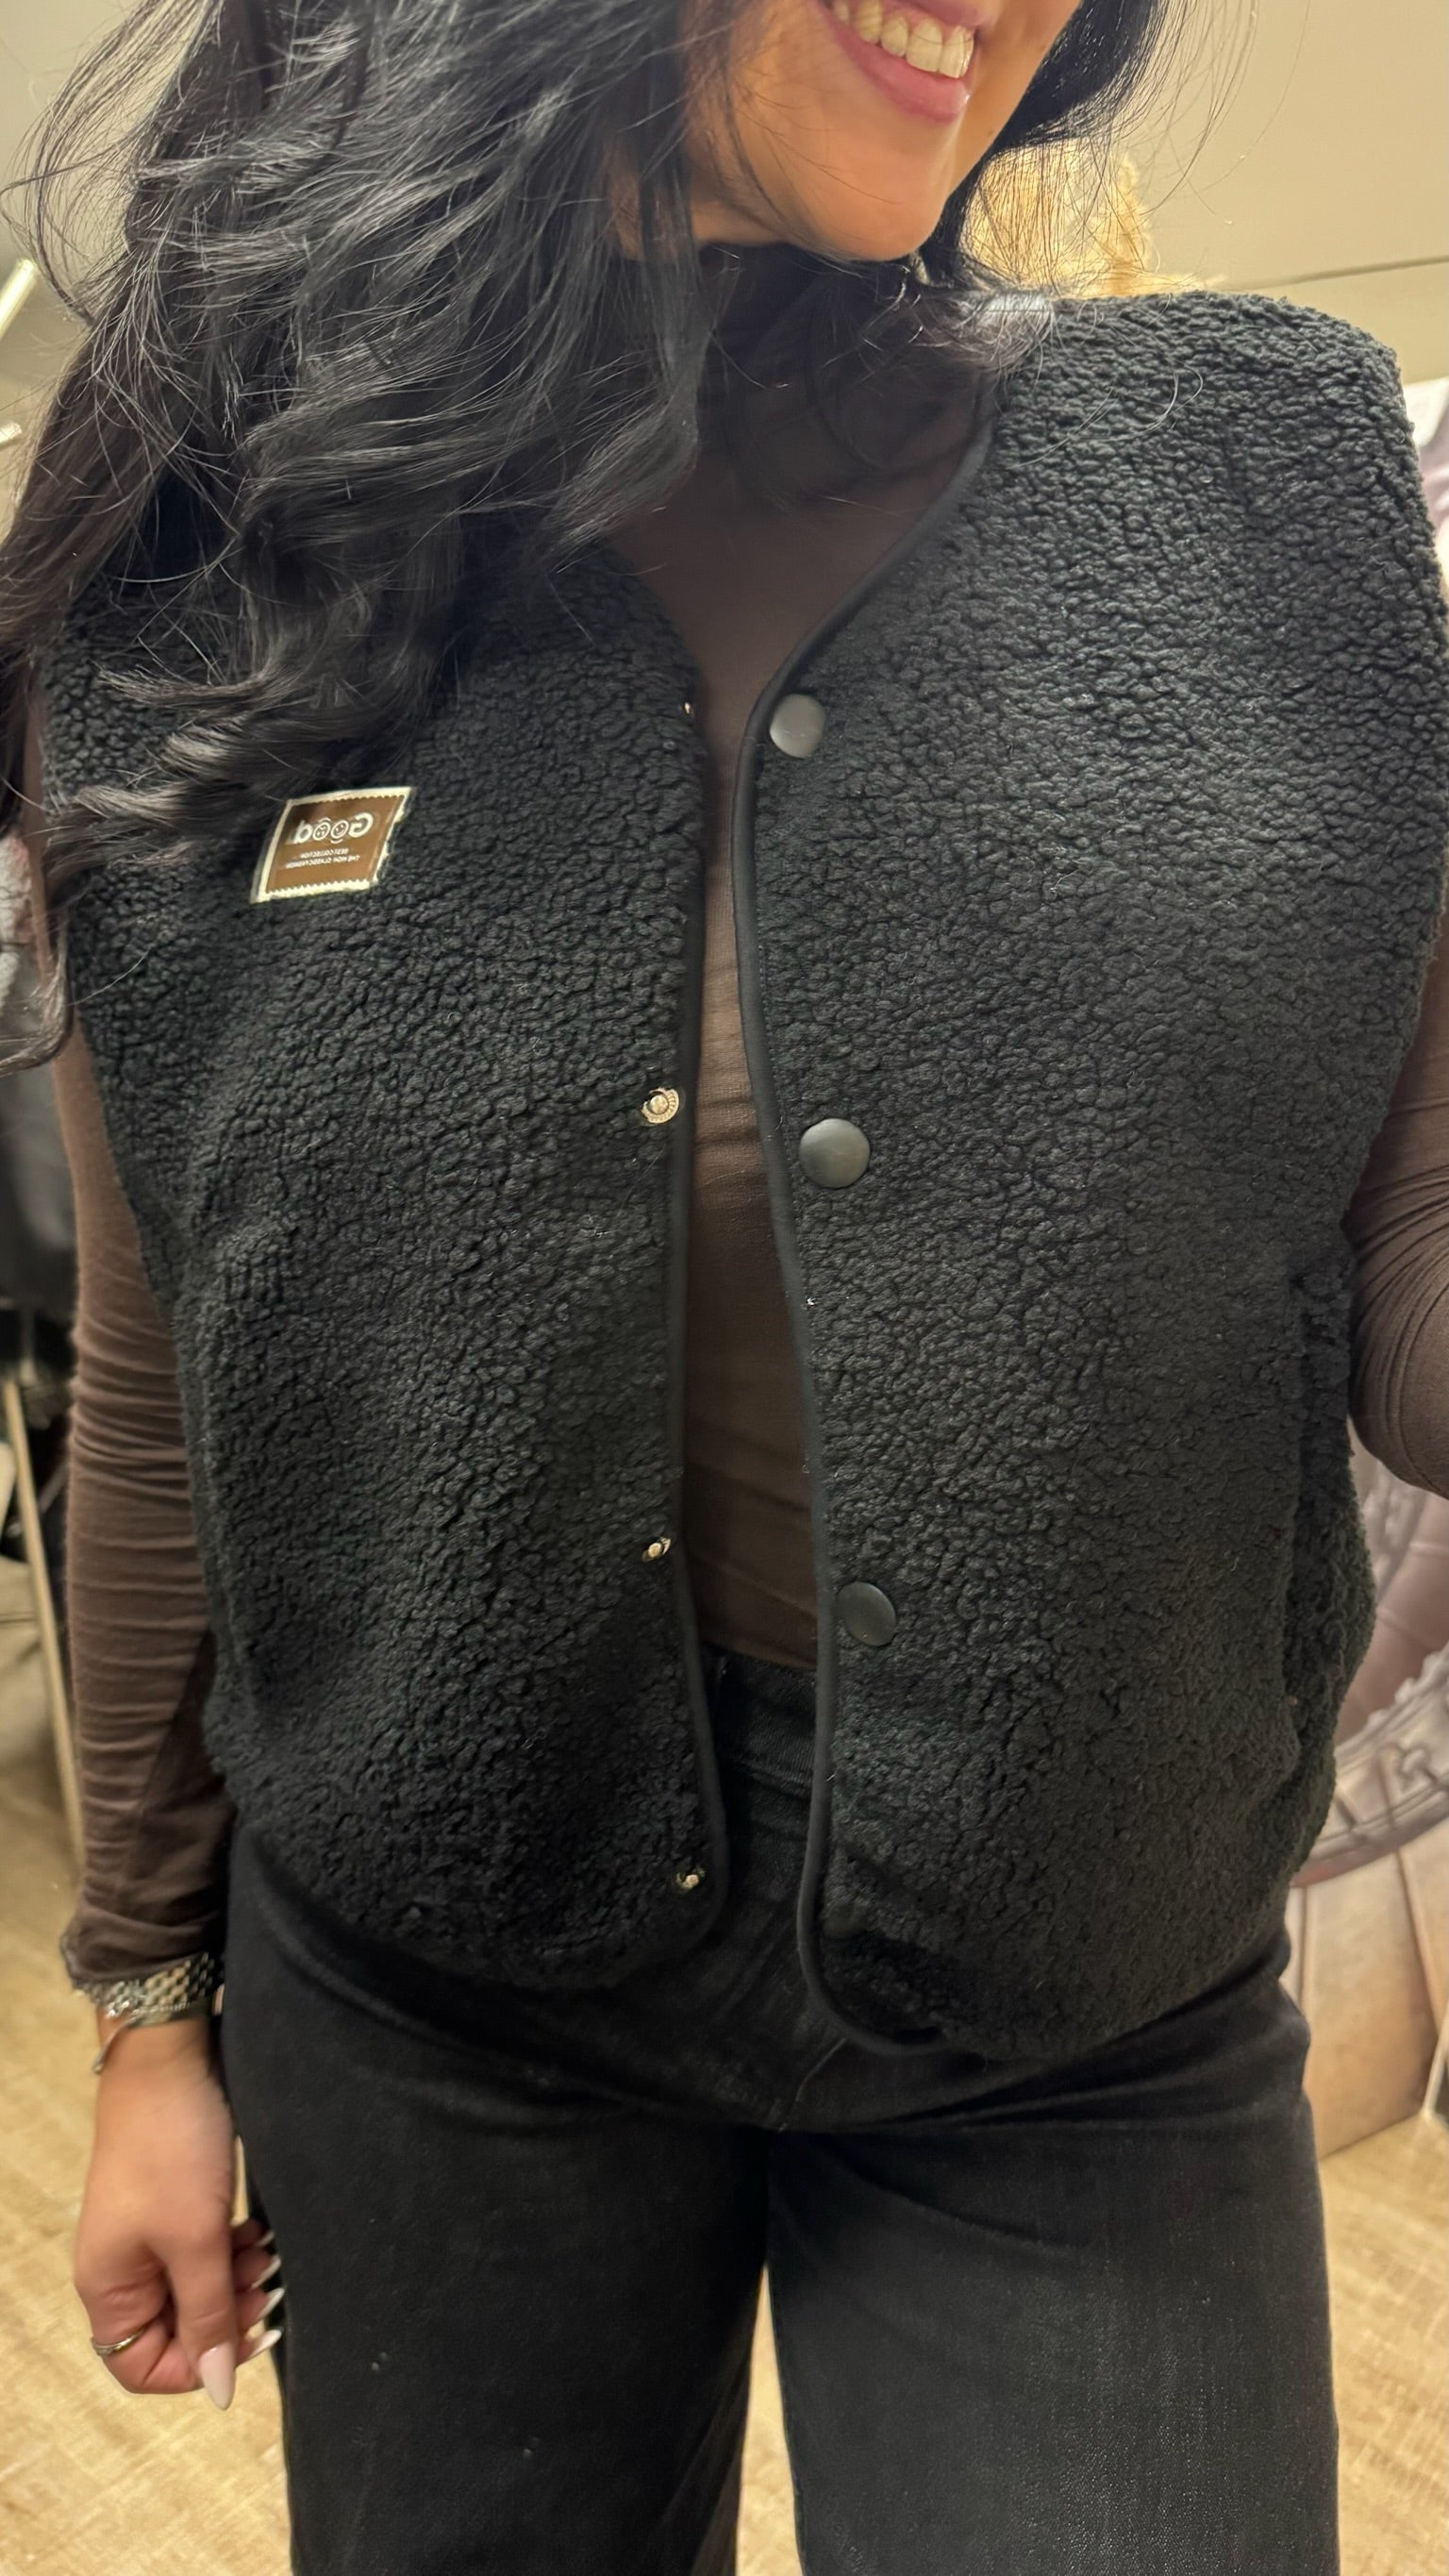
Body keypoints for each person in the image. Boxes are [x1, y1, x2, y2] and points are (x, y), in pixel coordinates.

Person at [2, 0, 1448, 2564]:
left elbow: (1410, 1261)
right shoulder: (208, 569)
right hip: (442, 1991)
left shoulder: (1261, 488)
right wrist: (148, 2004)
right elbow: (165, 1375)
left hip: (1079, 1993)